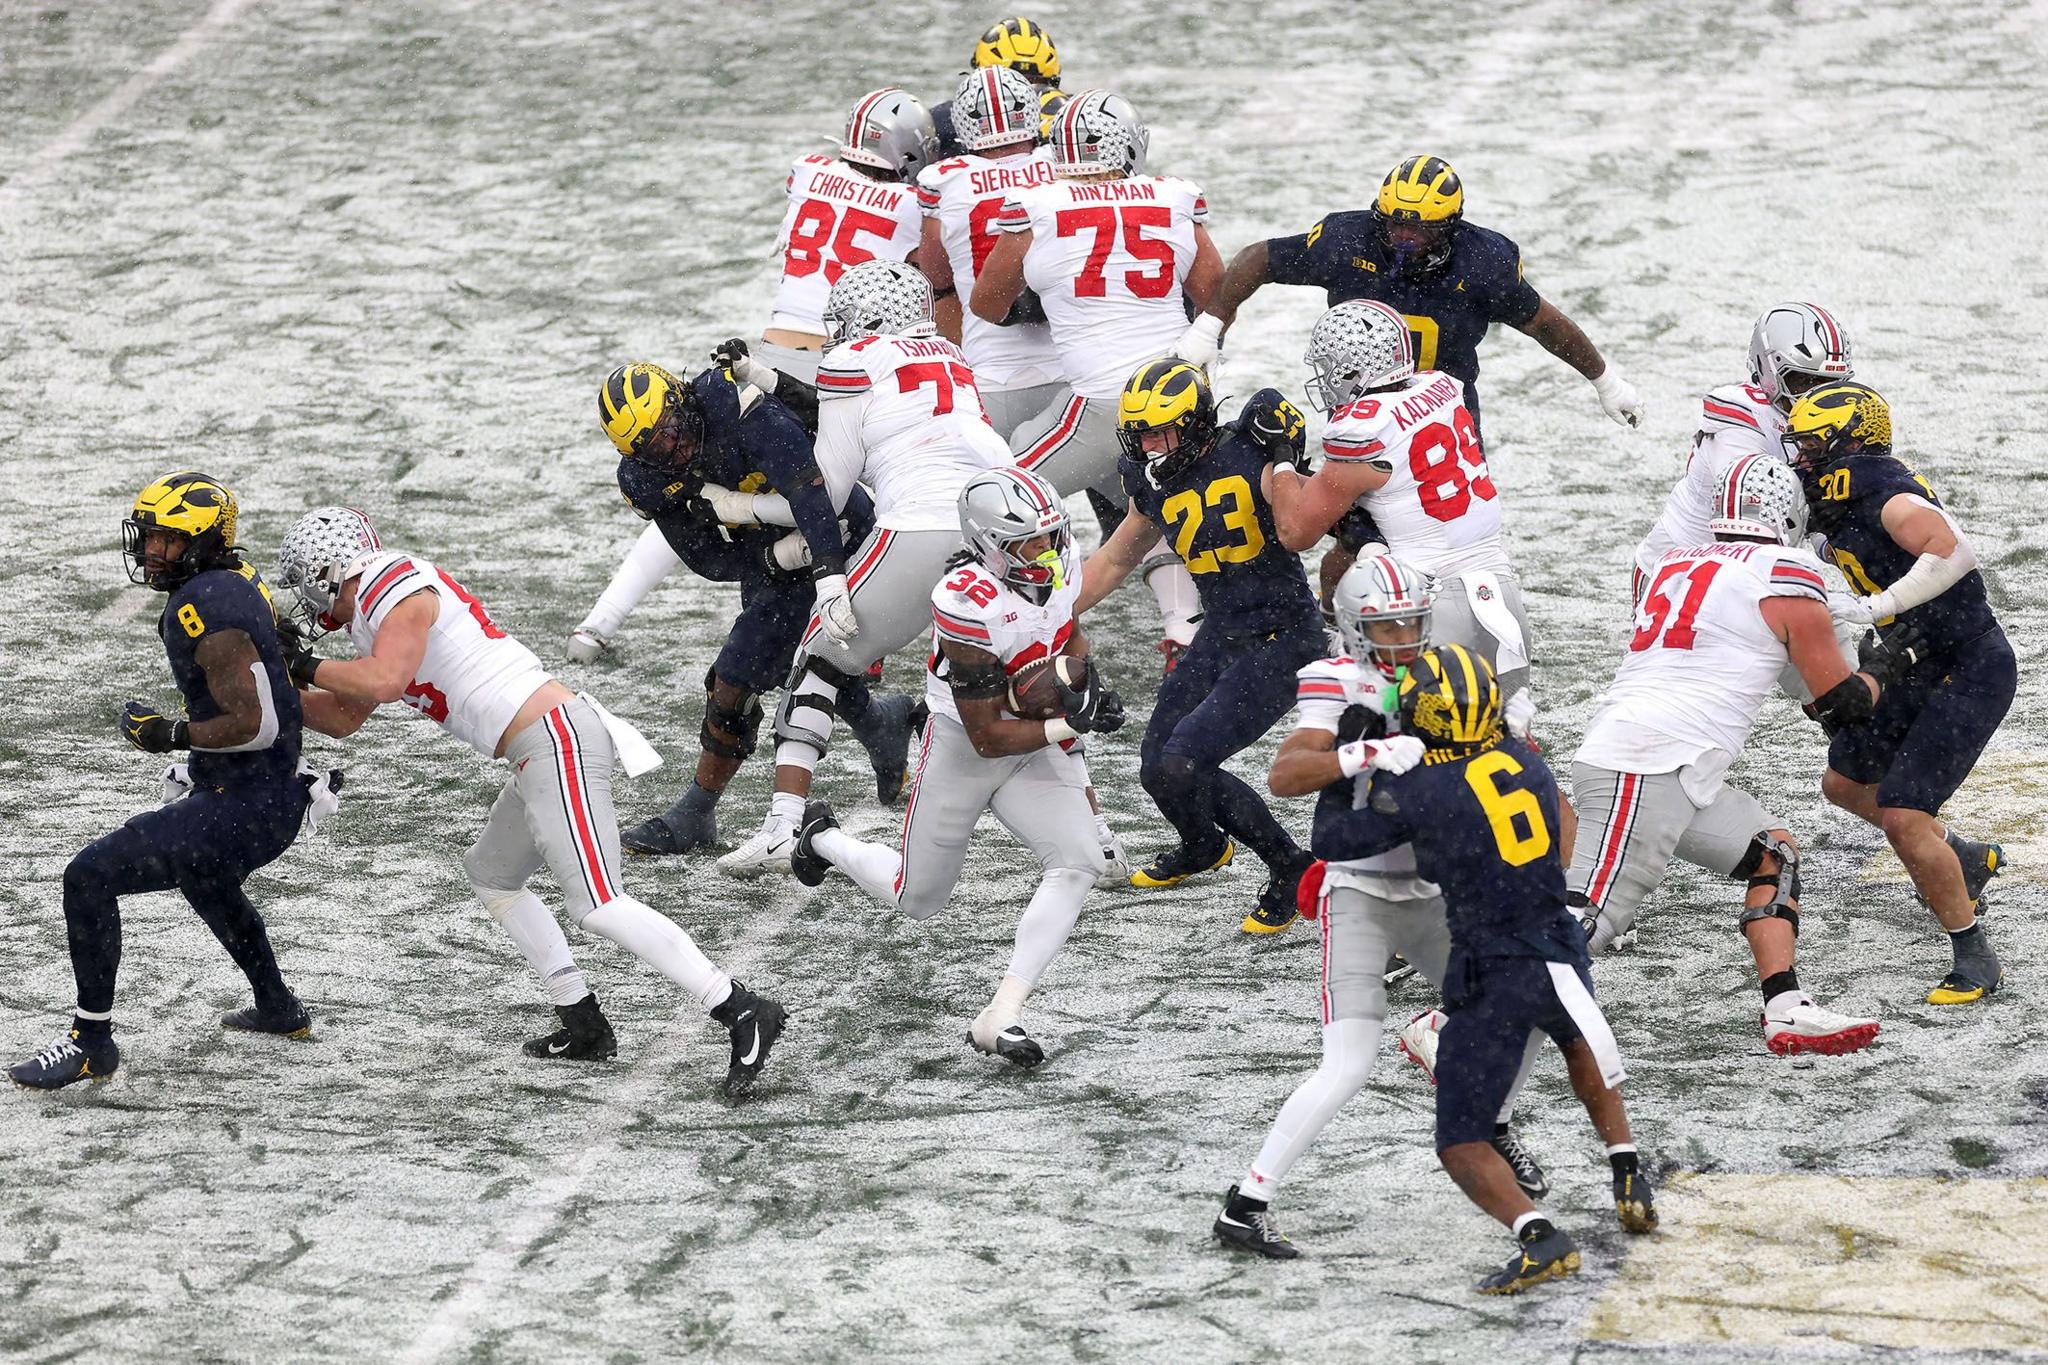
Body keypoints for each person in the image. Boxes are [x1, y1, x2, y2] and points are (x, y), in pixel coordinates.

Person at [275, 507, 786, 1095]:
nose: (304, 604)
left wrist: (302, 663)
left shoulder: (391, 579)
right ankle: (582, 1018)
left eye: (303, 584)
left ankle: (739, 1006)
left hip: (553, 739)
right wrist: (283, 687)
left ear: (324, 568)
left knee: (598, 903)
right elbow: (342, 717)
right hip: (533, 749)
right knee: (492, 874)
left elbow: (386, 682)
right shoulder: (372, 618)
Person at [1212, 555, 1547, 1256]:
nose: (1404, 637)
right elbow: (1285, 774)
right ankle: (1247, 1202)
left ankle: (1495, 1123)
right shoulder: (1338, 682)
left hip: (1433, 890)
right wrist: (1361, 756)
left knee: (1529, 1004)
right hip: (1359, 893)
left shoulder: (1448, 669)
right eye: (1387, 624)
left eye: (1413, 621)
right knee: (1348, 1063)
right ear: (1354, 628)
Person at [1310, 645, 1658, 1293]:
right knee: (1577, 1040)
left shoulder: (1417, 789)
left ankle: (1538, 1235)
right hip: (1557, 938)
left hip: (1492, 964)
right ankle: (1627, 1165)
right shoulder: (1525, 759)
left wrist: (1352, 755)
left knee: (1461, 1138)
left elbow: (1331, 839)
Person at [1573, 457, 1908, 1053]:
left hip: (1669, 762)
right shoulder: (1785, 573)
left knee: (1772, 854)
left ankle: (1785, 1006)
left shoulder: (1678, 562)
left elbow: (1799, 685)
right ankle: (1450, 1022)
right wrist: (1888, 663)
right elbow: (1842, 701)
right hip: (1648, 761)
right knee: (1584, 924)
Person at [790, 467, 1120, 1065]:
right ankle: (825, 839)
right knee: (917, 898)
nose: (1045, 552)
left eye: (1050, 536)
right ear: (990, 545)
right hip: (964, 751)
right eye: (1029, 542)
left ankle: (1002, 1013)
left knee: (1078, 863)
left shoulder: (1059, 561)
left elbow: (1066, 633)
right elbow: (989, 734)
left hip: (1032, 748)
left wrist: (1081, 686)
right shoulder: (967, 602)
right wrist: (1072, 722)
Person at [10, 474, 315, 1089]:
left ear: (202, 541)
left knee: (89, 876)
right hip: (261, 790)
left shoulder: (203, 605)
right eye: (148, 537)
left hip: (249, 797)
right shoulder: (234, 581)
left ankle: (91, 1042)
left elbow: (253, 725)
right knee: (206, 877)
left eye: (165, 540)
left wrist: (169, 734)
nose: (150, 551)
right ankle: (279, 1008)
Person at [718, 260, 1010, 874]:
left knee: (819, 659)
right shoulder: (950, 355)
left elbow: (824, 487)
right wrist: (766, 378)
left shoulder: (851, 361)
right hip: (1007, 522)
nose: (837, 333)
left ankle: (781, 826)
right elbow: (852, 412)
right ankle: (1095, 831)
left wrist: (740, 505)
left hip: (924, 524)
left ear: (868, 318)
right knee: (1024, 670)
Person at [569, 360, 916, 857]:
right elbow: (707, 557)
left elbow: (811, 488)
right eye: (654, 447)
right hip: (772, 553)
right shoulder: (646, 478)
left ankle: (697, 811)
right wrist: (774, 556)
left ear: (681, 400)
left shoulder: (733, 406)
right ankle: (880, 726)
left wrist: (826, 569)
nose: (673, 448)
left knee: (754, 672)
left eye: (669, 430)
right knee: (768, 667)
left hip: (834, 526)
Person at [970, 89, 1222, 665]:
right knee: (1152, 498)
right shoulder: (1173, 196)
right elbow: (1214, 297)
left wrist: (1058, 298)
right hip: (1184, 399)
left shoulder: (1035, 203)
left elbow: (988, 303)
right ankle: (1185, 629)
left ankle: (1003, 633)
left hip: (1105, 405)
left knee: (995, 497)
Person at [1785, 382, 2014, 1004]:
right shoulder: (1844, 496)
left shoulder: (1884, 495)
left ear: (1850, 441)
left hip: (1968, 666)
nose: (1801, 458)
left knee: (1905, 815)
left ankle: (1974, 953)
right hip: (1917, 661)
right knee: (1844, 783)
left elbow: (1954, 550)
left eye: (1811, 445)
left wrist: (1876, 608)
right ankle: (1963, 857)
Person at [1078, 360, 1321, 931]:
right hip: (1223, 627)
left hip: (1283, 634)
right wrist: (1049, 613)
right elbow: (1117, 557)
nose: (1150, 447)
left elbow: (1312, 517)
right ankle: (1205, 844)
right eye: (1139, 435)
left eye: (1161, 432)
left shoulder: (1249, 451)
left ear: (1197, 422)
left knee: (1186, 761)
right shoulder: (1150, 477)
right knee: (1156, 767)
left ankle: (1291, 866)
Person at [1183, 153, 1643, 440]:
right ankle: (1335, 603)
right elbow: (1258, 258)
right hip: (1362, 404)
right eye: (1394, 222)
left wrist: (1605, 381)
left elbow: (1544, 323)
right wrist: (1209, 327)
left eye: (1417, 227)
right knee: (1356, 536)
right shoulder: (1349, 241)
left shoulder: (1482, 263)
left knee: (1454, 525)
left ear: (1449, 225)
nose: (1401, 235)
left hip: (1444, 410)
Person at [1271, 299, 1539, 709]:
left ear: (1352, 370)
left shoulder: (1362, 428)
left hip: (1418, 608)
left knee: (1381, 749)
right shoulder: (1441, 387)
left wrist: (1280, 458)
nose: (1324, 379)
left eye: (1328, 367)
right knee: (1504, 749)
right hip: (1501, 597)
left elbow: (1294, 530)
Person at [1633, 302, 1854, 598]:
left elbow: (1821, 520)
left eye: (1827, 386)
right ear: (1768, 368)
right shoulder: (1741, 414)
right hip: (1679, 569)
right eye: (1803, 381)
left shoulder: (1839, 418)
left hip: (1750, 571)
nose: (1814, 398)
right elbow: (1753, 517)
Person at [756, 88, 938, 390]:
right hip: (844, 363)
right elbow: (937, 281)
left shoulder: (807, 172)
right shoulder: (913, 204)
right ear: (908, 149)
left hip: (773, 349)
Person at [917, 66, 1064, 441]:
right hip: (1073, 369)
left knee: (997, 494)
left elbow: (936, 275)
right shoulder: (1060, 165)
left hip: (995, 377)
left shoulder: (944, 180)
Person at [930, 16, 1063, 159]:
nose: (1026, 95)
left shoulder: (942, 120)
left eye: (1032, 83)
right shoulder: (1073, 118)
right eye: (1008, 84)